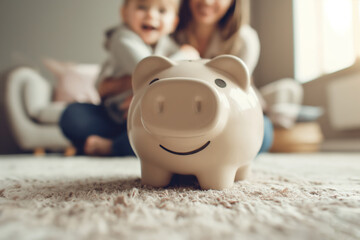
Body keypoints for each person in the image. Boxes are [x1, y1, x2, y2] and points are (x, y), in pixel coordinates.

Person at [59, 0, 199, 156]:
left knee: (165, 131)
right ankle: (121, 141)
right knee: (73, 115)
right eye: (142, 7)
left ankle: (112, 146)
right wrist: (186, 55)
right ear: (124, 13)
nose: (151, 15)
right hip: (112, 115)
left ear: (173, 23)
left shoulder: (170, 46)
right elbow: (148, 69)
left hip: (146, 117)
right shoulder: (122, 38)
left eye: (162, 11)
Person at [174, 0, 273, 153]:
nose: (207, 2)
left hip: (230, 113)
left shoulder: (244, 39)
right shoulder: (168, 31)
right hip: (180, 112)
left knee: (262, 133)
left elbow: (235, 97)